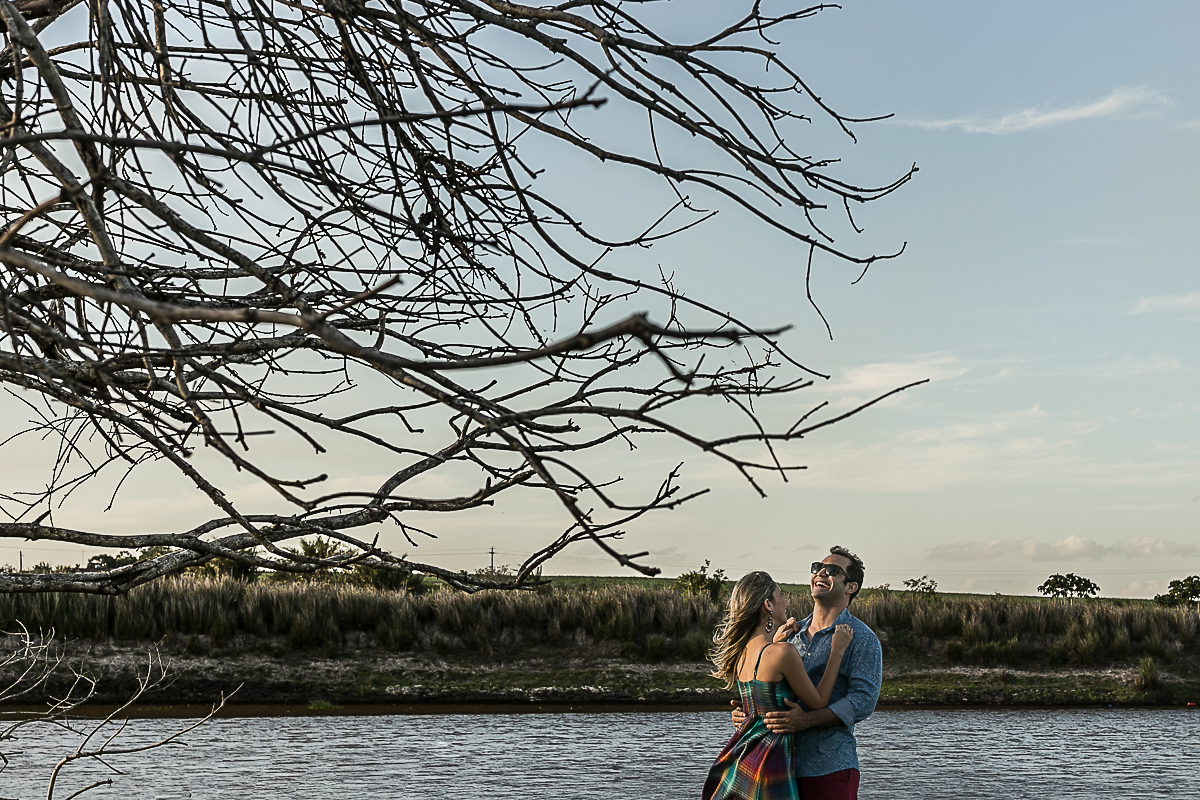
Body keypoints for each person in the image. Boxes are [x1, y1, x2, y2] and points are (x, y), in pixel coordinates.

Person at [730, 546, 882, 800]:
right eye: (817, 567)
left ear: (850, 587)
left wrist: (807, 720)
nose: (820, 572)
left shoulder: (862, 639)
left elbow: (863, 702)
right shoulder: (789, 634)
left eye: (832, 570)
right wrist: (748, 712)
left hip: (828, 767)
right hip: (776, 769)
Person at [703, 571, 854, 800]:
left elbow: (760, 694)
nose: (785, 601)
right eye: (780, 596)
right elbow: (819, 701)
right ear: (768, 605)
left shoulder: (741, 652)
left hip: (744, 756)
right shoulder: (783, 653)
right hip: (770, 761)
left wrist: (775, 640)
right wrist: (837, 651)